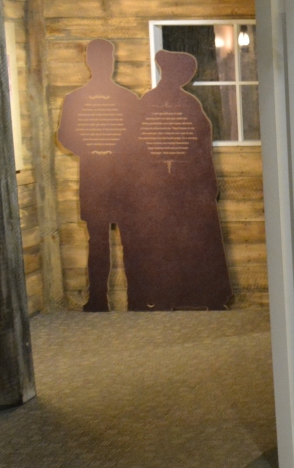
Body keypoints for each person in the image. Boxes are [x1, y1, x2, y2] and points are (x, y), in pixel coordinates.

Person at [121, 50, 233, 310]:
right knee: (168, 242)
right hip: (165, 189)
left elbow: (200, 145)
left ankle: (182, 295)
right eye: (184, 73)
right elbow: (134, 148)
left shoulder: (182, 104)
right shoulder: (179, 104)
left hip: (177, 189)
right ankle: (172, 295)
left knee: (181, 241)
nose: (187, 77)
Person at [56, 39, 140, 311]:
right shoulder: (75, 99)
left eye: (108, 58)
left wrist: (100, 149)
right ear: (89, 62)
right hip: (96, 178)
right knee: (99, 241)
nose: (105, 63)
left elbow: (138, 136)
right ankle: (99, 299)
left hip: (122, 178)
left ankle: (135, 297)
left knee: (128, 239)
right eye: (100, 59)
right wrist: (92, 149)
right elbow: (65, 135)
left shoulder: (128, 99)